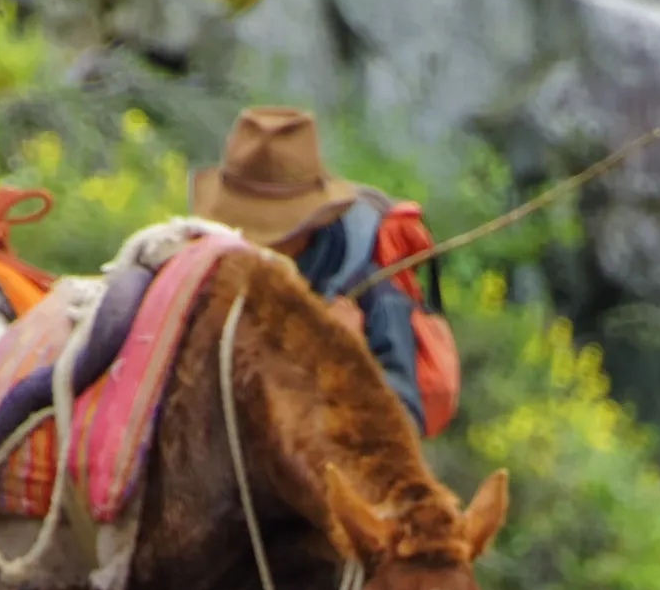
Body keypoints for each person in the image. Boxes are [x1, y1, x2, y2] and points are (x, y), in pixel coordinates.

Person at [188, 105, 459, 441]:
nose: (251, 242)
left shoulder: (372, 287)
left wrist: (346, 357)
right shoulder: (222, 256)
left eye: (268, 229)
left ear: (310, 222)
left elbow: (404, 425)